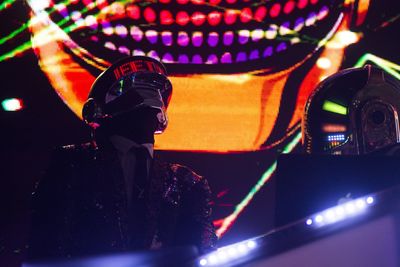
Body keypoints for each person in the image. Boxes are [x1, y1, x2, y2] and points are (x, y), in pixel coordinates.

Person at [27, 56, 217, 260]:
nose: (151, 99)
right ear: (98, 111)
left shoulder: (187, 182)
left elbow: (201, 254)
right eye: (134, 95)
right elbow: (46, 246)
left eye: (155, 93)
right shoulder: (72, 164)